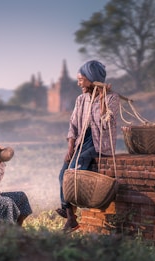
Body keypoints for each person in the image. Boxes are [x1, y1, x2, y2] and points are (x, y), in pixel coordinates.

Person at [56, 60, 120, 233]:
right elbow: (73, 125)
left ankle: (73, 208)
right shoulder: (81, 99)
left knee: (78, 166)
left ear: (93, 80)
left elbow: (106, 123)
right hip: (80, 141)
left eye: (81, 80)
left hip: (99, 143)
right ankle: (70, 216)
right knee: (63, 174)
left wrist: (102, 98)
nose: (79, 84)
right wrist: (70, 147)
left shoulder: (111, 98)